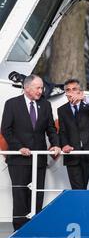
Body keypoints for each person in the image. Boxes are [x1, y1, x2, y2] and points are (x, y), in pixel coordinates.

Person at [1, 74, 61, 230]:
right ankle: (19, 232)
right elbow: (6, 130)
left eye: (42, 87)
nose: (41, 91)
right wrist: (19, 147)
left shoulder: (45, 105)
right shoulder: (12, 104)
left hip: (39, 159)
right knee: (20, 195)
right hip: (18, 160)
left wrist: (55, 144)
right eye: (38, 87)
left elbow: (51, 129)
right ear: (26, 88)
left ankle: (35, 229)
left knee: (37, 195)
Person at [57, 78, 89, 190]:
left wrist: (84, 98)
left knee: (83, 185)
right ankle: (81, 207)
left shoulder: (88, 105)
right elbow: (62, 131)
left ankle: (83, 206)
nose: (71, 92)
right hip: (72, 153)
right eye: (68, 90)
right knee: (77, 187)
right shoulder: (62, 110)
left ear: (80, 91)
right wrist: (64, 145)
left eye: (74, 89)